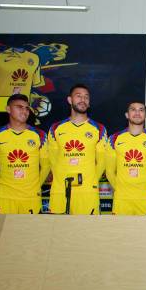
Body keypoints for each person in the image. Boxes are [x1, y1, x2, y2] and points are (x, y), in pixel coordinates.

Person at [47, 84, 107, 214]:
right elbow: (52, 160)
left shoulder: (99, 129)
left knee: (87, 232)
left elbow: (102, 161)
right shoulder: (55, 128)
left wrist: (91, 181)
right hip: (60, 190)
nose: (83, 100)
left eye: (86, 97)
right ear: (70, 100)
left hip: (87, 191)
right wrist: (59, 179)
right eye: (78, 96)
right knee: (57, 232)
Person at [0, 94, 49, 214]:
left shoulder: (39, 135)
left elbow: (46, 166)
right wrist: (2, 185)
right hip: (4, 197)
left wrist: (35, 186)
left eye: (26, 108)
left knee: (29, 232)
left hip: (31, 197)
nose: (24, 111)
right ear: (8, 109)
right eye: (19, 107)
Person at [105, 102, 146, 215]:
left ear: (145, 115)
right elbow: (109, 171)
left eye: (141, 110)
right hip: (122, 199)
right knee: (120, 232)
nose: (137, 113)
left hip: (145, 199)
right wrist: (120, 189)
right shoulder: (114, 138)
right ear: (127, 114)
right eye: (133, 109)